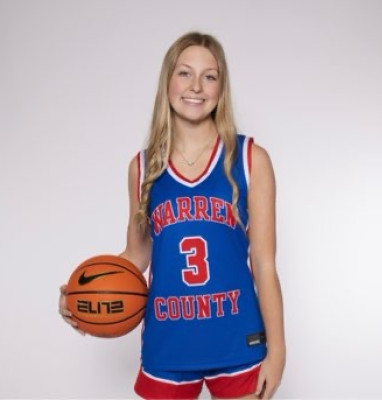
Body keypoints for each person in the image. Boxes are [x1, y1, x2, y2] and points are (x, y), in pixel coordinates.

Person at [59, 31, 286, 399]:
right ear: (167, 82)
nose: (196, 86)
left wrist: (277, 352)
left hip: (238, 339)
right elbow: (136, 255)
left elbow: (264, 263)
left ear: (221, 88)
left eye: (209, 76)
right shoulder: (143, 168)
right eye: (184, 73)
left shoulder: (249, 160)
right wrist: (80, 294)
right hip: (168, 343)